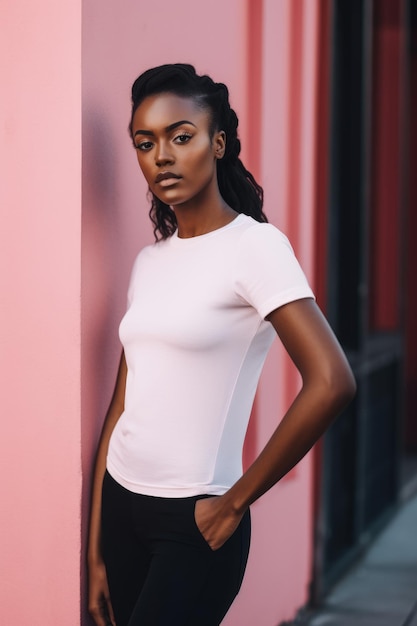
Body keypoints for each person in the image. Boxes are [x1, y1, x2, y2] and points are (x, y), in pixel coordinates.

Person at [87, 63, 356, 626]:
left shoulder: (255, 248)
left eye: (180, 137)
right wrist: (94, 552)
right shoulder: (149, 261)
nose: (162, 156)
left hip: (197, 523)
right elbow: (121, 406)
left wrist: (235, 502)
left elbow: (332, 381)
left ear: (218, 143)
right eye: (145, 143)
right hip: (121, 509)